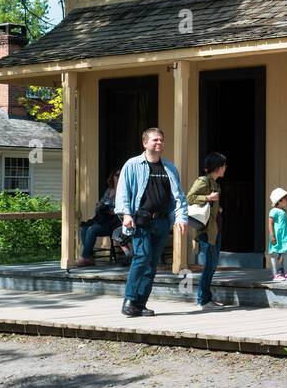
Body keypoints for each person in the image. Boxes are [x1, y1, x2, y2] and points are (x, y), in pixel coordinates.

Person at [114, 127, 187, 318]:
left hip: (161, 222)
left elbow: (178, 196)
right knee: (142, 257)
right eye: (155, 140)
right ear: (145, 143)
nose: (159, 143)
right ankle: (129, 300)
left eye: (161, 140)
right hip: (140, 220)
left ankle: (140, 303)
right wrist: (126, 215)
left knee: (152, 264)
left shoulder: (169, 168)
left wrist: (181, 218)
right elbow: (123, 191)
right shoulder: (132, 165)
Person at [186, 151, 227, 310]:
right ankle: (203, 301)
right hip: (205, 231)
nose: (225, 168)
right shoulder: (203, 181)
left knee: (212, 265)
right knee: (209, 265)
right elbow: (189, 198)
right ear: (217, 167)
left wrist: (218, 208)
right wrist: (207, 199)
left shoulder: (215, 184)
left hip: (215, 229)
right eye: (223, 165)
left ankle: (206, 299)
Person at [74, 169, 122, 267]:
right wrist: (100, 207)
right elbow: (100, 205)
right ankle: (89, 257)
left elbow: (121, 210)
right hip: (102, 219)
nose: (119, 177)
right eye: (117, 175)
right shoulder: (109, 190)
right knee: (84, 228)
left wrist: (109, 210)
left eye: (121, 175)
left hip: (114, 222)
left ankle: (85, 257)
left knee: (92, 229)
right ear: (113, 176)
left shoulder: (124, 191)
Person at [267, 187, 287, 280]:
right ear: (279, 201)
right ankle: (276, 274)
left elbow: (284, 224)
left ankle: (286, 273)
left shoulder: (285, 212)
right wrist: (272, 235)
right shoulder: (274, 211)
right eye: (286, 199)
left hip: (285, 237)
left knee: (286, 254)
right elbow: (270, 223)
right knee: (275, 254)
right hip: (277, 237)